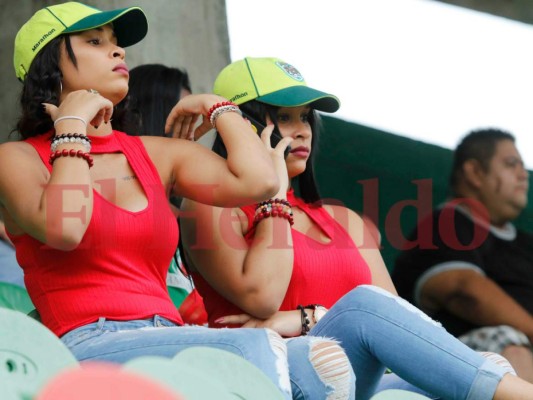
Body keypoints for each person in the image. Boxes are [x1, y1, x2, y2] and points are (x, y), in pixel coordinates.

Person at [0, 4, 355, 399]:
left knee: (321, 359)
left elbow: (259, 181)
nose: (118, 52)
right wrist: (71, 125)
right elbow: (65, 228)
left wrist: (219, 107)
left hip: (168, 334)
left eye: (118, 44)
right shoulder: (17, 158)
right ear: (50, 65)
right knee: (253, 345)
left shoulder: (153, 153)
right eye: (96, 42)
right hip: (84, 343)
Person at [179, 56, 533, 400]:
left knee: (490, 362)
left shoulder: (344, 220)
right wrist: (273, 193)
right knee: (365, 305)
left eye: (305, 117)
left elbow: (400, 328)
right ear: (243, 124)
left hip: (359, 382)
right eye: (284, 118)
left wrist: (306, 318)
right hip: (268, 378)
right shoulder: (210, 203)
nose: (302, 130)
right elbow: (262, 296)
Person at [392, 128, 533, 382]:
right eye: (511, 165)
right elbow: (464, 291)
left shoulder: (525, 243)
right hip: (453, 361)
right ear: (475, 173)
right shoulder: (445, 225)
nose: (523, 175)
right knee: (507, 342)